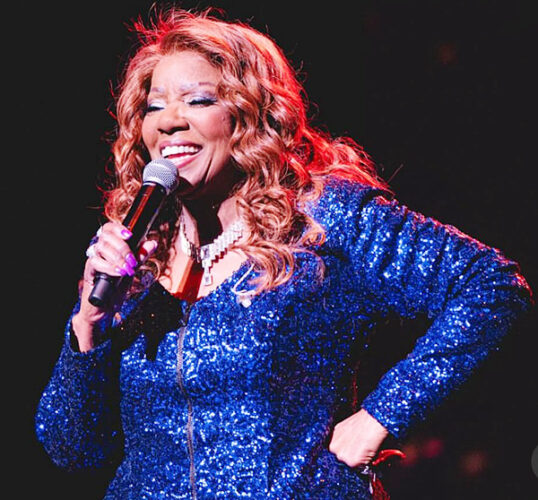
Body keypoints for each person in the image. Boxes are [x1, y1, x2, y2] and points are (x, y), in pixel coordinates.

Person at [35, 6, 532, 499]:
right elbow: (72, 450)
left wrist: (381, 415)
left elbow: (492, 285)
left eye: (199, 100)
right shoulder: (136, 252)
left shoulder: (320, 219)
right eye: (154, 106)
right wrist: (89, 324)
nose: (168, 122)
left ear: (250, 114)